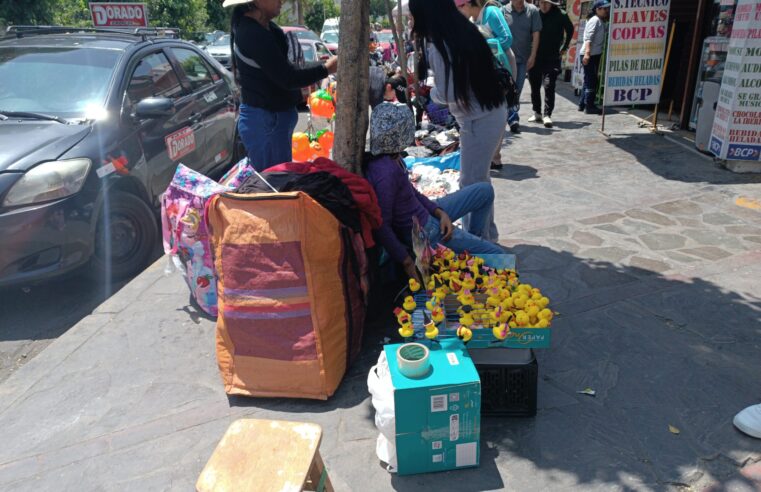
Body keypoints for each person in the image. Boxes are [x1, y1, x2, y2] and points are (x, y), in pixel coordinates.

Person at [364, 102, 504, 281]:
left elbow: (412, 193)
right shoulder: (386, 172)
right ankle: (469, 252)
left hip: (427, 214)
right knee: (499, 256)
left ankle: (471, 242)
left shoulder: (391, 158)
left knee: (484, 191)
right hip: (426, 232)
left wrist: (439, 212)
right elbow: (382, 225)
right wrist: (406, 260)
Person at [410, 0, 507, 241]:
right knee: (479, 179)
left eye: (413, 16)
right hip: (489, 112)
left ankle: (477, 241)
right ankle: (487, 235)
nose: (412, 22)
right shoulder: (461, 29)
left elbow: (448, 93)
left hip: (479, 118)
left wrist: (429, 93)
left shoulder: (438, 42)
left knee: (471, 184)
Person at [224, 0, 337, 171]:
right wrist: (325, 69)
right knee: (274, 186)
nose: (282, 1)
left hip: (272, 121)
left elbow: (285, 69)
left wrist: (322, 66)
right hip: (266, 123)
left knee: (279, 182)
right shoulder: (252, 33)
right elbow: (287, 77)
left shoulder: (268, 29)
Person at [456, 0, 516, 170]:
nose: (459, 12)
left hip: (502, 69)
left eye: (459, 7)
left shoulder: (491, 12)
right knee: (491, 111)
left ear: (468, 4)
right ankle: (492, 155)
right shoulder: (475, 20)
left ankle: (494, 157)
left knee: (498, 111)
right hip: (488, 69)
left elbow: (507, 38)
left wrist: (482, 48)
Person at [528, 0, 573, 128]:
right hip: (535, 56)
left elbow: (570, 30)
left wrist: (564, 47)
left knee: (549, 85)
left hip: (552, 56)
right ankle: (537, 112)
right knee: (534, 85)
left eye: (546, 2)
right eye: (541, 2)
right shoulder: (535, 14)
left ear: (552, 3)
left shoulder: (561, 14)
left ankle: (547, 114)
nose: (544, 5)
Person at [502, 0, 542, 133]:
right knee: (506, 90)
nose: (519, 3)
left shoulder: (532, 11)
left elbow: (536, 34)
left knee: (516, 90)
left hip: (523, 59)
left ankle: (512, 117)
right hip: (506, 60)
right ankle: (511, 118)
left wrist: (533, 55)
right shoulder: (503, 11)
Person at [579, 0, 609, 114]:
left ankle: (582, 104)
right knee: (592, 80)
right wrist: (587, 54)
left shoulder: (600, 21)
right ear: (597, 9)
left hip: (594, 54)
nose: (606, 10)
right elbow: (588, 38)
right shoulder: (595, 20)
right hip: (590, 54)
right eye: (604, 8)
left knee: (588, 79)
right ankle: (589, 106)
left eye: (607, 8)